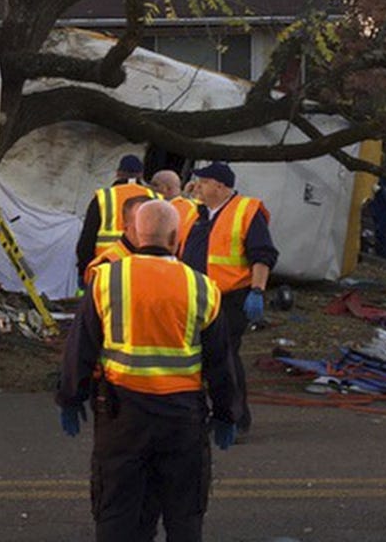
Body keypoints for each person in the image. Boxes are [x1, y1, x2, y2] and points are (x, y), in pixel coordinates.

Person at [57, 200, 238, 542]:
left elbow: (80, 347)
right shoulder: (202, 287)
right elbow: (221, 361)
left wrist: (70, 396)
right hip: (182, 418)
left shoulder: (107, 279)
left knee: (118, 512)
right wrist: (228, 413)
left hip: (122, 415)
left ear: (137, 235)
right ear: (175, 237)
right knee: (183, 515)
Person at [179, 162, 275, 435]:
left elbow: (263, 254)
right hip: (197, 297)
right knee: (198, 358)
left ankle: (235, 418)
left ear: (220, 186)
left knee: (225, 356)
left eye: (203, 182)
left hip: (230, 297)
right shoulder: (197, 214)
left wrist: (257, 290)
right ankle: (206, 413)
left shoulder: (246, 211)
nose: (197, 187)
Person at [76, 154, 158, 274]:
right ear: (141, 174)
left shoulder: (104, 197)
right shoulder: (156, 199)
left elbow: (87, 238)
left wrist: (84, 269)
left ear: (118, 173)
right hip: (143, 270)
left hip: (104, 267)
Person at [151, 169, 201, 253]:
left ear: (166, 189)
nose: (150, 188)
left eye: (155, 185)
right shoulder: (193, 206)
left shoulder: (166, 210)